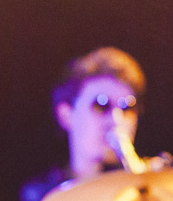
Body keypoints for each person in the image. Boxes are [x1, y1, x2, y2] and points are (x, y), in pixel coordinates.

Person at [20, 47, 146, 201]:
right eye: (101, 106)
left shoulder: (148, 187)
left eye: (127, 108)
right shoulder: (40, 194)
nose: (116, 120)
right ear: (66, 115)